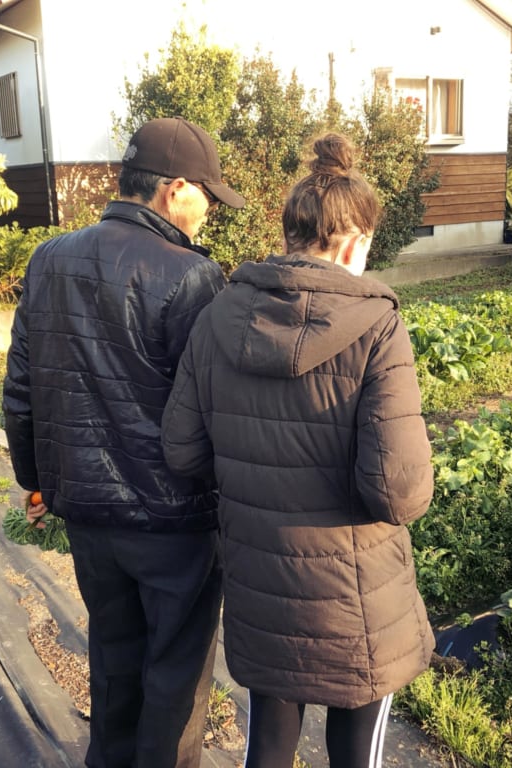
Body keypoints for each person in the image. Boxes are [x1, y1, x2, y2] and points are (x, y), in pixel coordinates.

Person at [161, 133, 435, 768]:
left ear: (288, 234)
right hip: (357, 603)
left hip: (262, 587)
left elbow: (182, 451)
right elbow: (399, 494)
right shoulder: (378, 327)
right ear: (354, 243)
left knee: (267, 751)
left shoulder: (218, 316)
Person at [2, 116, 245, 768]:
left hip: (86, 513)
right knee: (175, 677)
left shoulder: (50, 258)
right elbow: (213, 412)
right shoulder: (192, 275)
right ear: (174, 190)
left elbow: (20, 389)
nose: (209, 211)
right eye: (207, 196)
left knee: (113, 658)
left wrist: (37, 484)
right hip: (174, 522)